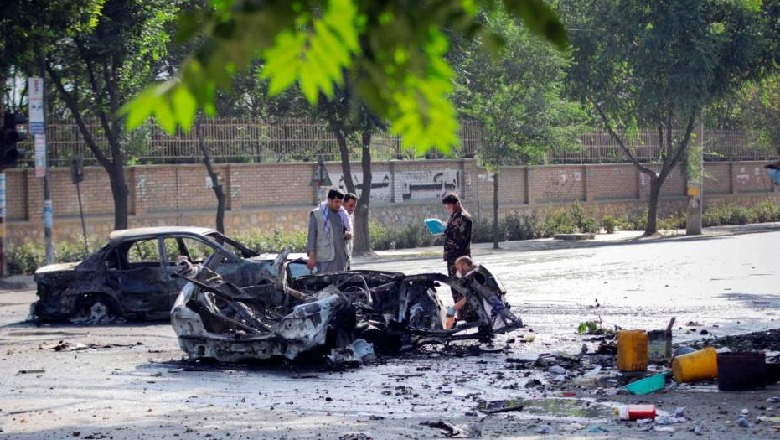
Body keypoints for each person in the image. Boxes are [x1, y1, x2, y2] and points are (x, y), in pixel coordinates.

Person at [306, 188, 349, 274]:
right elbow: (312, 237)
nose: (339, 205)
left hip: (340, 258)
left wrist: (348, 234)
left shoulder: (340, 214)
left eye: (340, 202)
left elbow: (343, 232)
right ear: (329, 200)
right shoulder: (317, 214)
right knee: (326, 285)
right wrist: (311, 257)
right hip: (325, 260)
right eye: (336, 202)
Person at [442, 193, 473, 277]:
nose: (447, 207)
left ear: (456, 204)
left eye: (449, 204)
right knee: (454, 284)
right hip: (452, 256)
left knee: (461, 285)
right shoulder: (453, 217)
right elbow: (451, 233)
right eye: (446, 205)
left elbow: (462, 238)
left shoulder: (463, 218)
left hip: (460, 259)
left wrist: (446, 231)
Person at [343, 193, 357, 269]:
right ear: (344, 204)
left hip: (347, 255)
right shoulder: (340, 217)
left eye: (354, 206)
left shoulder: (349, 217)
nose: (353, 208)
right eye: (351, 205)